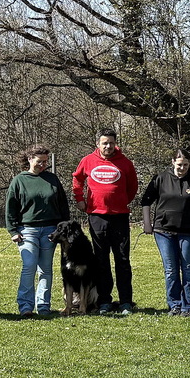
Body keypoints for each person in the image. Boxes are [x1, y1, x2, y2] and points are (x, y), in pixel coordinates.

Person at [72, 129, 140, 314]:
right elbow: (77, 179)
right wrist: (79, 199)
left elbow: (133, 187)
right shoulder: (88, 161)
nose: (108, 146)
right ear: (98, 144)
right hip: (97, 216)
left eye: (111, 143)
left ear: (115, 143)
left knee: (122, 260)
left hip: (120, 217)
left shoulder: (125, 163)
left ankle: (126, 301)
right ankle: (104, 301)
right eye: (104, 143)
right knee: (101, 260)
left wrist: (120, 201)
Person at [140, 149, 190, 317]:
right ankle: (174, 304)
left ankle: (189, 305)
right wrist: (147, 223)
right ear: (173, 162)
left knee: (188, 268)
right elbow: (146, 201)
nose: (182, 168)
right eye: (179, 164)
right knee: (171, 269)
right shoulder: (160, 179)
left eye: (186, 165)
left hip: (189, 232)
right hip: (163, 231)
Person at [6, 144, 69, 318]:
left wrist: (63, 229)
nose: (42, 165)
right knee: (29, 266)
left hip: (50, 230)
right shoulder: (19, 180)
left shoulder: (52, 179)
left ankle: (43, 305)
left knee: (46, 269)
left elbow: (63, 205)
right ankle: (25, 306)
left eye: (45, 162)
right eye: (39, 161)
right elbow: (10, 208)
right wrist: (13, 231)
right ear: (29, 159)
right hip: (27, 230)